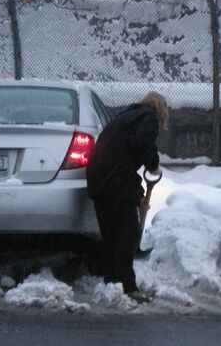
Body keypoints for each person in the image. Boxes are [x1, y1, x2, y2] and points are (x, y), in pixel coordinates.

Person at [86, 91, 168, 303]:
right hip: (115, 179)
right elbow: (141, 144)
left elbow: (125, 149)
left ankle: (112, 281)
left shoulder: (126, 116)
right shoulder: (148, 117)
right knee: (127, 232)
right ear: (160, 109)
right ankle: (128, 287)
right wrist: (153, 164)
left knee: (111, 234)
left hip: (98, 178)